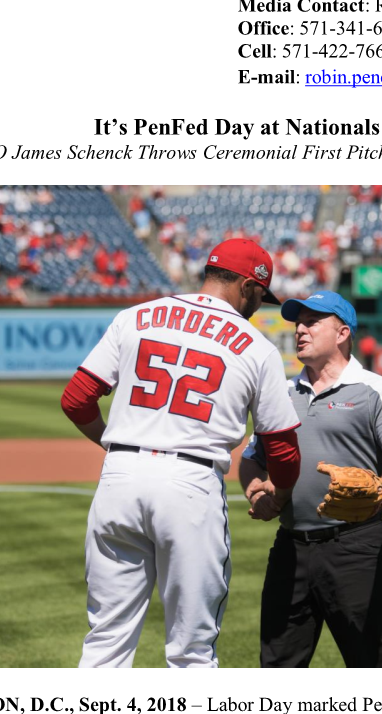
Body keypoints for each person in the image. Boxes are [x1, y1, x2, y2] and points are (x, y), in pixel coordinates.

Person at [60, 238, 302, 668]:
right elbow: (282, 449)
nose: (259, 305)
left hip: (120, 477)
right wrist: (280, 497)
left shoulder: (135, 317)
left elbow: (77, 399)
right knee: (191, 651)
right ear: (247, 286)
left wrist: (118, 444)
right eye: (260, 296)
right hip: (189, 486)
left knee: (106, 642)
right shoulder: (257, 346)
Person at [239, 291, 382, 668]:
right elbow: (251, 458)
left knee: (366, 661)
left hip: (355, 547)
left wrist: (381, 490)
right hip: (290, 547)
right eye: (298, 323)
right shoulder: (282, 393)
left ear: (342, 333)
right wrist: (256, 490)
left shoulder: (376, 389)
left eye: (312, 322)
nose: (300, 330)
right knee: (277, 663)